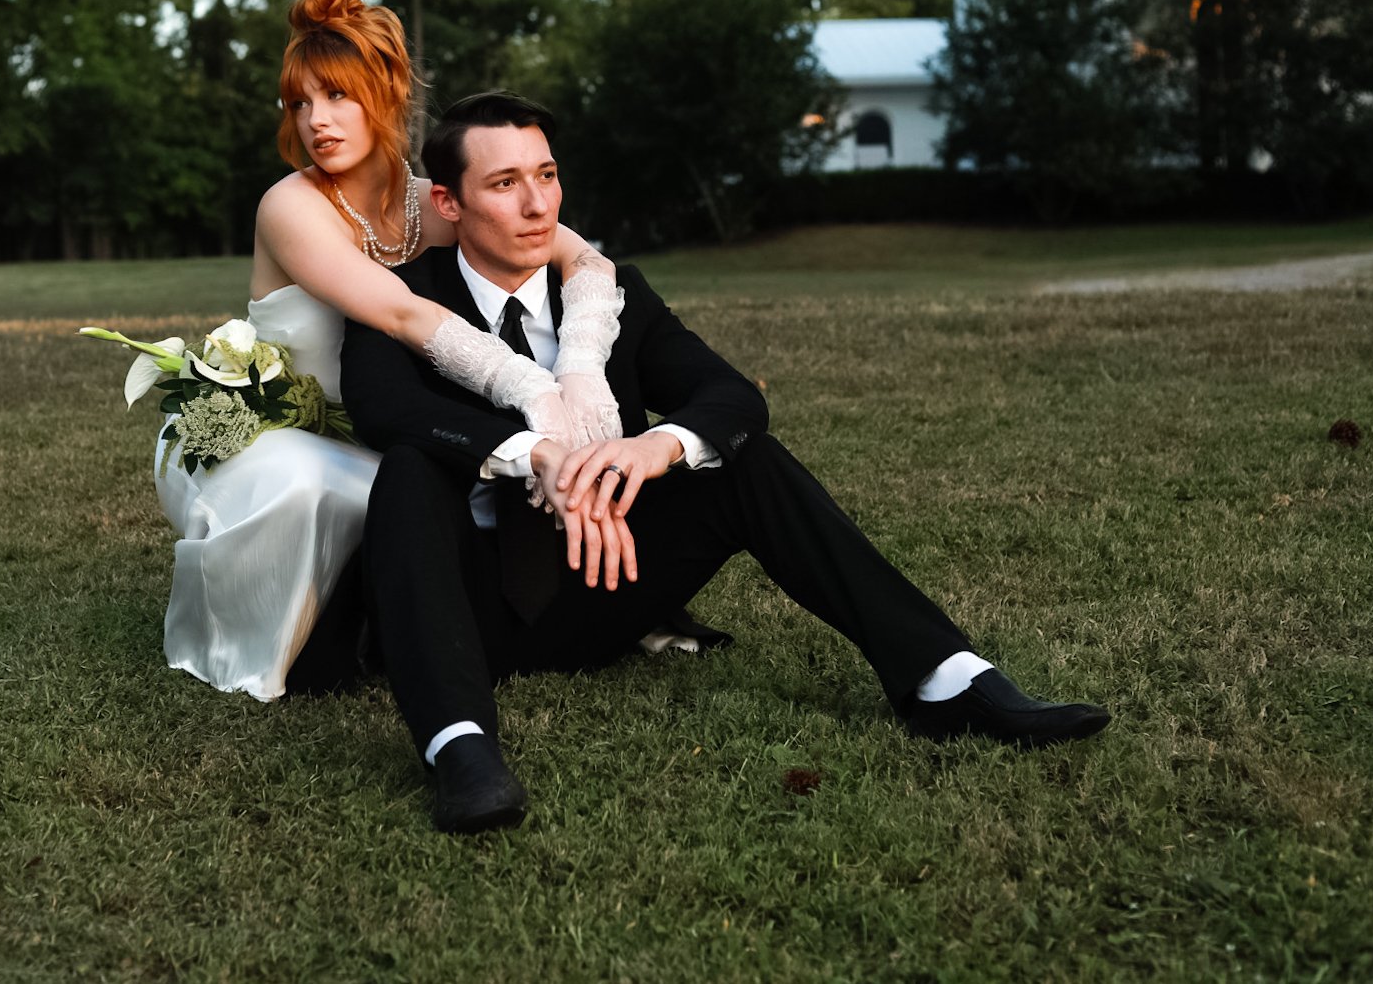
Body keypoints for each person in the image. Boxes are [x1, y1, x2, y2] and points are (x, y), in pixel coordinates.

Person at [340, 91, 1112, 834]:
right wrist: (526, 452)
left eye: (545, 176)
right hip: (465, 612)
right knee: (408, 469)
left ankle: (946, 680)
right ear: (448, 203)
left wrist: (654, 446)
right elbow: (382, 407)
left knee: (743, 459)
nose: (538, 205)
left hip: (607, 586)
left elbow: (729, 395)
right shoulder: (405, 299)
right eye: (504, 184)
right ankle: (461, 749)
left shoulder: (606, 294)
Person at [154, 0, 637, 702]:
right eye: (300, 102)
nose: (317, 120)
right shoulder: (290, 206)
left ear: (388, 91)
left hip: (394, 427)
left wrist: (581, 370)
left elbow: (585, 259)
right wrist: (532, 389)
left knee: (453, 472)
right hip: (277, 438)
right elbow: (402, 315)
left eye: (338, 96)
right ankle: (302, 641)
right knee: (349, 481)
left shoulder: (436, 202)